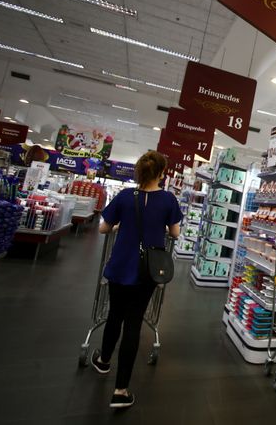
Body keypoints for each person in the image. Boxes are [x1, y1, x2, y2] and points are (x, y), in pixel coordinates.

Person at [93, 151, 182, 408]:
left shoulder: (123, 196)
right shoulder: (168, 200)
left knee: (114, 316)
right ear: (162, 173)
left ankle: (103, 361)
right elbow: (175, 233)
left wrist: (122, 226)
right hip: (148, 270)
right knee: (133, 324)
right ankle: (121, 391)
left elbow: (103, 228)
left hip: (120, 265)